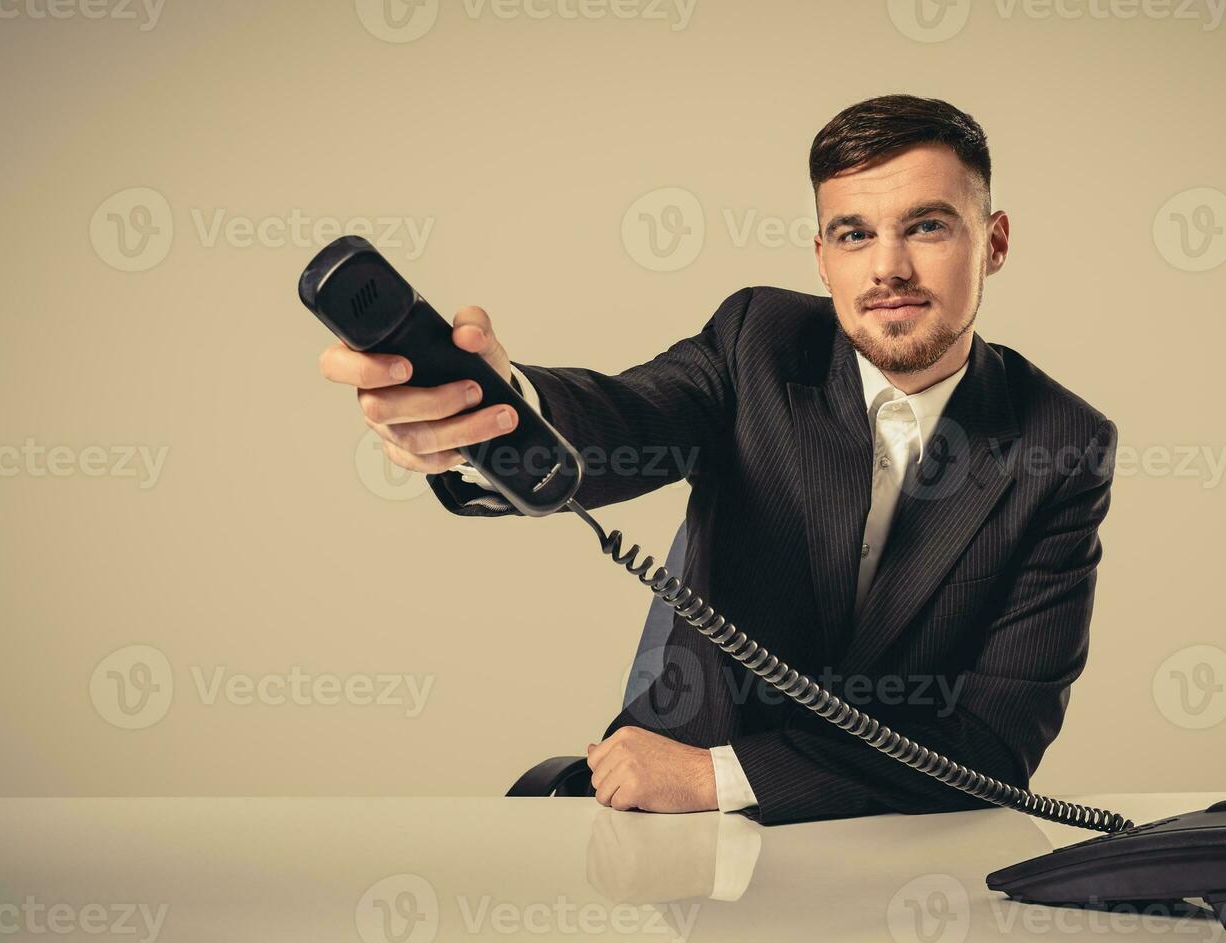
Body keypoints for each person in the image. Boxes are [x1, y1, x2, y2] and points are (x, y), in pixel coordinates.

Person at [317, 94, 1117, 826]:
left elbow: (993, 750)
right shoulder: (757, 342)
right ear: (820, 256)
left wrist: (720, 777)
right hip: (666, 841)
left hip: (889, 861)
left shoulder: (1063, 446)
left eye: (928, 227)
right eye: (854, 234)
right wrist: (497, 412)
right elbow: (625, 419)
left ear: (996, 242)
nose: (888, 270)